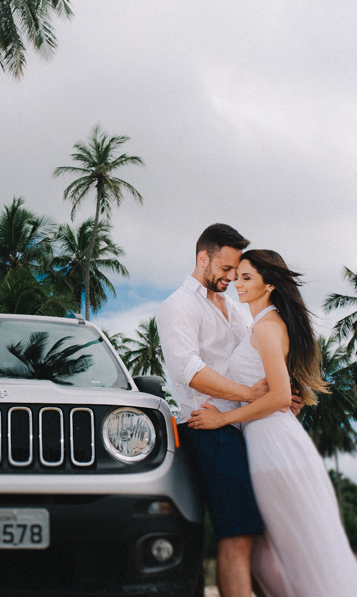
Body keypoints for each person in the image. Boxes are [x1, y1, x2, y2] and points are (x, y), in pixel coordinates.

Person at [188, 249, 357, 596]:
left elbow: (280, 397)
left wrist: (222, 418)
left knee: (290, 553)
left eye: (247, 277)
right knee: (274, 553)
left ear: (270, 285)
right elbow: (279, 393)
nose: (237, 282)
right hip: (268, 445)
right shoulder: (264, 323)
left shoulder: (267, 326)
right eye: (238, 275)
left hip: (274, 450)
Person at [157, 223, 270, 597]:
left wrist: (278, 393)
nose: (230, 277)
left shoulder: (235, 310)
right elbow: (188, 371)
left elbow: (252, 359)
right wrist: (251, 395)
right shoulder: (179, 306)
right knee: (236, 536)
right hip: (209, 431)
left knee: (252, 536)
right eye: (224, 269)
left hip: (242, 428)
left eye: (235, 271)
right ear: (202, 257)